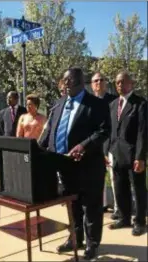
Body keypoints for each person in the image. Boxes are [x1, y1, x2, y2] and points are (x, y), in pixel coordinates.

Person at [38, 67, 110, 260]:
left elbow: (104, 131)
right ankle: (75, 238)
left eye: (70, 81)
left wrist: (83, 146)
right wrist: (38, 149)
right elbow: (51, 130)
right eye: (64, 81)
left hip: (88, 166)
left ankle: (92, 244)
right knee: (73, 205)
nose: (66, 84)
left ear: (80, 82)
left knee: (91, 207)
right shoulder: (59, 103)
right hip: (65, 165)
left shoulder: (96, 104)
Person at [107, 71, 147, 236]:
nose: (120, 85)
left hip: (133, 155)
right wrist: (106, 151)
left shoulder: (141, 104)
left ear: (132, 84)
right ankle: (124, 218)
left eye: (123, 82)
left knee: (137, 189)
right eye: (117, 82)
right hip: (116, 154)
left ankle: (139, 221)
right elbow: (110, 131)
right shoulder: (113, 104)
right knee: (119, 187)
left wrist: (140, 157)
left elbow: (142, 133)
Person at [91, 72, 118, 217]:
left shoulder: (114, 101)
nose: (99, 82)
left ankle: (118, 209)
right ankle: (102, 205)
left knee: (114, 178)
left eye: (102, 80)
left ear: (106, 83)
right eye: (96, 80)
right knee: (97, 177)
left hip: (112, 145)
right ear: (92, 85)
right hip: (94, 147)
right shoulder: (88, 103)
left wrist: (108, 149)